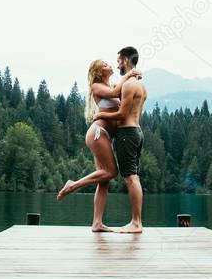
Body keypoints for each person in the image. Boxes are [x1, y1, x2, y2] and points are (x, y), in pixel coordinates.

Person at [56, 58, 141, 233]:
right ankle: (73, 185)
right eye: (105, 65)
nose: (110, 66)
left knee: (104, 180)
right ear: (98, 72)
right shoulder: (96, 86)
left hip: (105, 136)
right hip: (98, 133)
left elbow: (124, 94)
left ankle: (97, 223)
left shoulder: (112, 85)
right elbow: (117, 91)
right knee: (111, 172)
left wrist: (134, 78)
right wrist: (130, 74)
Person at [93, 46, 147, 234]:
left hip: (127, 134)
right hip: (138, 132)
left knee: (130, 178)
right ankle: (137, 221)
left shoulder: (128, 84)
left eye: (118, 61)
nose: (116, 65)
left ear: (125, 60)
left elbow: (123, 113)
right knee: (135, 176)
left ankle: (136, 223)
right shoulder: (140, 85)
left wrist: (101, 115)